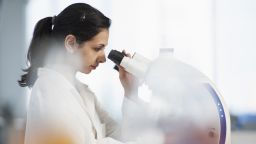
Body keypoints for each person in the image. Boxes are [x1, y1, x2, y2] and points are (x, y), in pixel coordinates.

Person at [18, 3, 139, 144]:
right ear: (70, 43)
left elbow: (126, 137)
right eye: (97, 48)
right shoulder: (48, 91)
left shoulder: (82, 92)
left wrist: (130, 91)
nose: (104, 58)